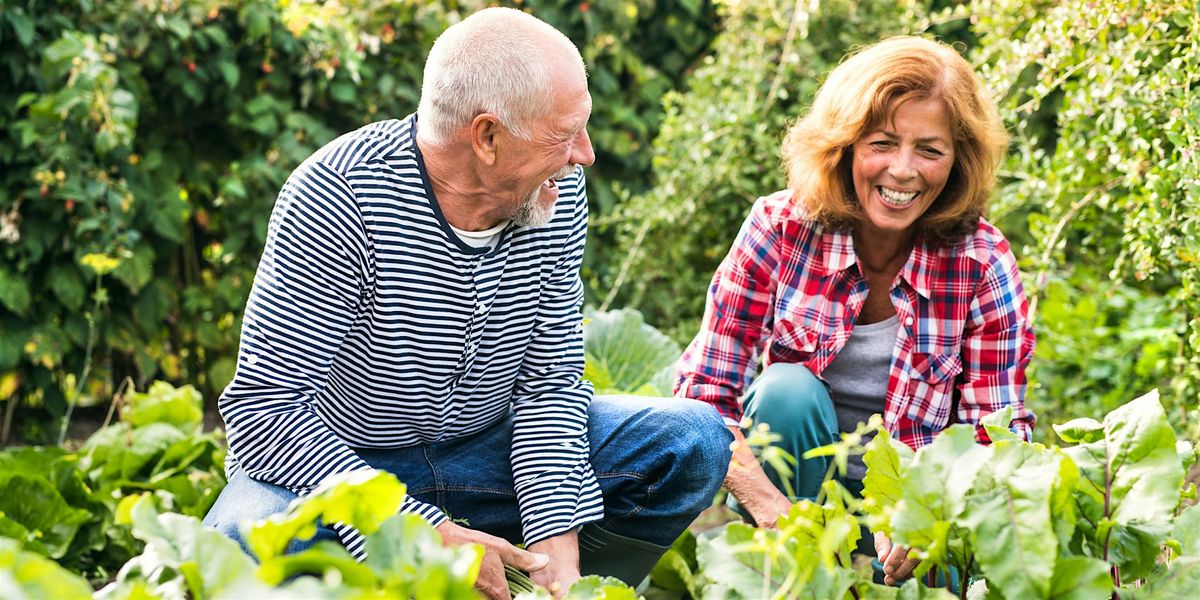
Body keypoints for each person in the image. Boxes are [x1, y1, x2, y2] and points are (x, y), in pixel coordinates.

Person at [202, 8, 731, 599]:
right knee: (240, 541)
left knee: (693, 442)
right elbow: (265, 413)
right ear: (486, 136)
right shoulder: (339, 195)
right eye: (564, 133)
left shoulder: (551, 191)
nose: (584, 153)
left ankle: (525, 586)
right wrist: (424, 532)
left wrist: (559, 563)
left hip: (488, 458)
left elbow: (549, 384)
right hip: (351, 469)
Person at [674, 35, 1035, 586]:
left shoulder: (982, 263)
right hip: (792, 496)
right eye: (883, 143)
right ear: (845, 144)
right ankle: (789, 579)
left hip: (914, 514)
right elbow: (702, 397)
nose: (903, 170)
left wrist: (923, 514)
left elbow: (995, 435)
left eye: (930, 150)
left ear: (958, 162)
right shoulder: (781, 229)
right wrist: (772, 511)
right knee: (786, 391)